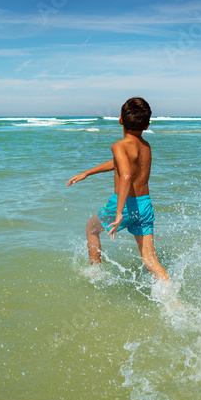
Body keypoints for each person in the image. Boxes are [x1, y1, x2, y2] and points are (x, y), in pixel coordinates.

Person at [66, 97, 169, 282]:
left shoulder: (119, 146)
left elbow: (126, 175)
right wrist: (87, 173)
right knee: (150, 261)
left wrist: (119, 212)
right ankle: (173, 298)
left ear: (120, 119)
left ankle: (96, 273)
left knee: (91, 228)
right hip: (144, 205)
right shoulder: (146, 146)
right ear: (146, 126)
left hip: (124, 206)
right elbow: (120, 164)